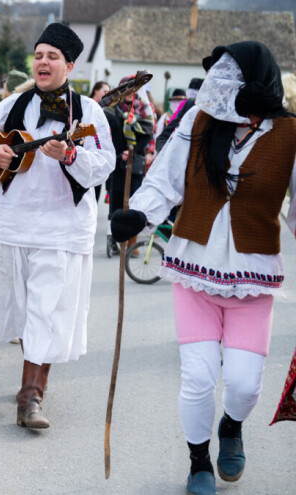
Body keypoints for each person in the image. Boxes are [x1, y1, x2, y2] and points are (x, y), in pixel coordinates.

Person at [111, 41, 296, 495]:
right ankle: (199, 462)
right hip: (192, 270)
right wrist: (140, 214)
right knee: (197, 379)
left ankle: (231, 427)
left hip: (254, 279)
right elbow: (164, 179)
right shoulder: (198, 123)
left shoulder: (291, 133)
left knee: (244, 384)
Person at [0, 23, 114, 429]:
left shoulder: (89, 112)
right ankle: (33, 375)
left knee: (45, 309)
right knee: (27, 313)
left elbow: (103, 164)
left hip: (62, 228)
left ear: (70, 65)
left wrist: (69, 156)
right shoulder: (12, 105)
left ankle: (30, 397)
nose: (43, 62)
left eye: (53, 57)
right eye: (39, 55)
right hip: (14, 224)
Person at [103, 74, 155, 255]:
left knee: (133, 202)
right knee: (116, 203)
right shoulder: (111, 110)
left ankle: (131, 243)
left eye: (133, 90)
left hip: (135, 163)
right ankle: (115, 240)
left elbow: (148, 133)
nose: (130, 93)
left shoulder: (143, 110)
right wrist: (119, 154)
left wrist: (132, 150)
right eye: (126, 89)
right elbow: (105, 135)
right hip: (116, 162)